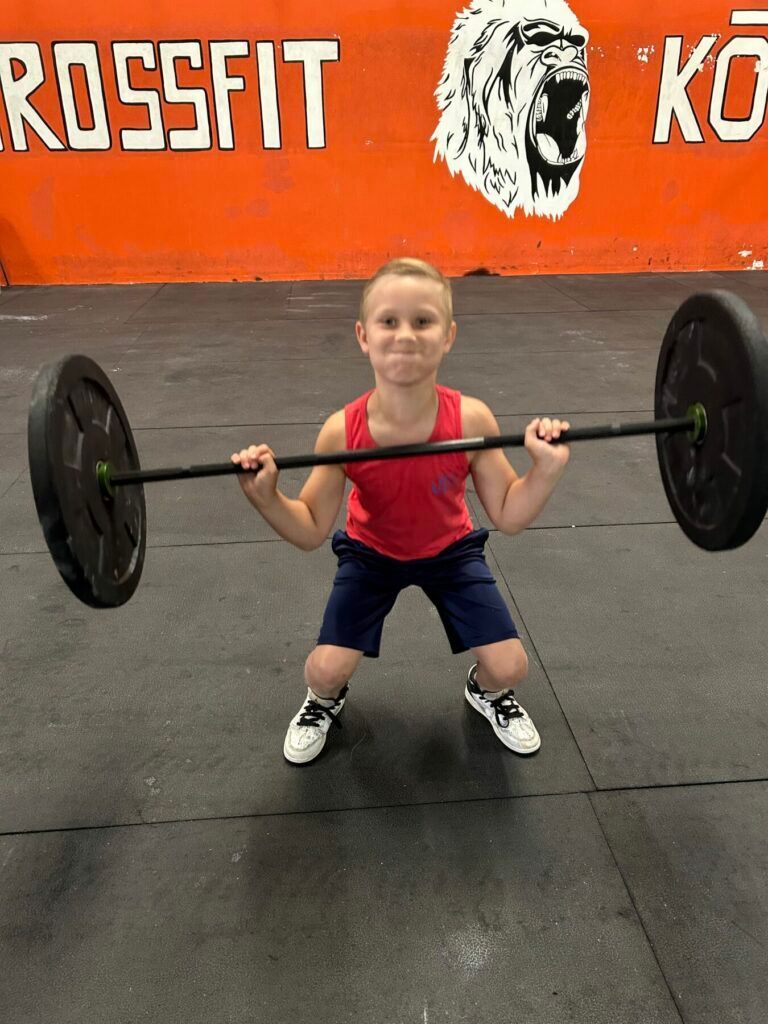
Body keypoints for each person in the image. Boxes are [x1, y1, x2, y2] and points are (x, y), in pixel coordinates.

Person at [232, 258, 570, 765]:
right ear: (363, 335)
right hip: (371, 555)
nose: (405, 335)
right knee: (322, 671)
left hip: (450, 552)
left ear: (448, 335)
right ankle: (324, 702)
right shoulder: (342, 431)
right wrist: (266, 497)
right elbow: (309, 530)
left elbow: (508, 513)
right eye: (389, 321)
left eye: (422, 321)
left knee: (510, 666)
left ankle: (487, 694)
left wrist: (543, 470)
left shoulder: (471, 420)